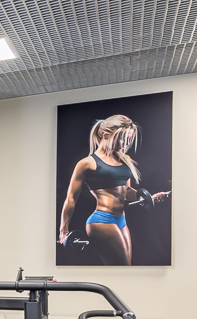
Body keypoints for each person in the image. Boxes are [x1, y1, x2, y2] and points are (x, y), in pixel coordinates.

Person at [58, 114, 169, 265]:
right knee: (124, 266)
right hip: (101, 220)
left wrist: (149, 197)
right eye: (123, 139)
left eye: (129, 139)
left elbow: (127, 192)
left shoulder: (125, 160)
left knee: (123, 267)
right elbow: (71, 198)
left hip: (121, 220)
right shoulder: (87, 163)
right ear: (106, 135)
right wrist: (63, 231)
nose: (126, 143)